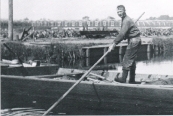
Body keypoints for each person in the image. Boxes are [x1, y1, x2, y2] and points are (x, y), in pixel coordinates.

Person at [109, 5, 141, 83]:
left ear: (124, 11)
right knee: (131, 60)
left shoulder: (126, 20)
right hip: (135, 40)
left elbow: (121, 34)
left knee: (127, 59)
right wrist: (125, 35)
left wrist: (114, 43)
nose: (119, 13)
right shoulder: (125, 19)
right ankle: (132, 80)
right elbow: (125, 34)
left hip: (134, 41)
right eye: (118, 12)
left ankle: (123, 79)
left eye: (120, 11)